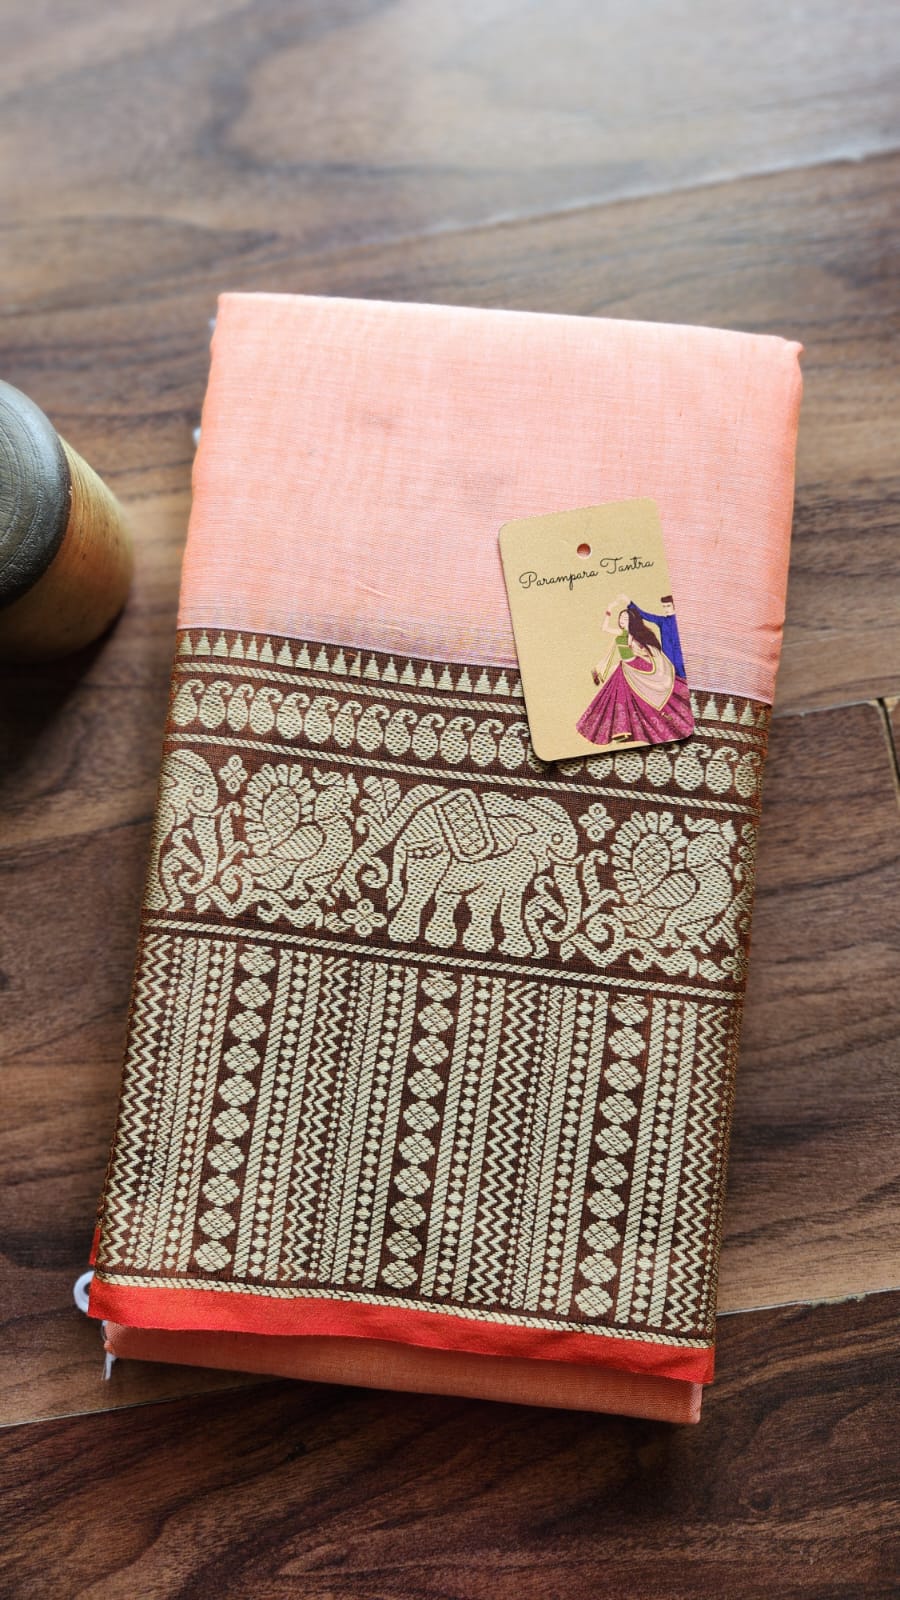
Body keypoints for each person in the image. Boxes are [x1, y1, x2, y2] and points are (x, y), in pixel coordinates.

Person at [576, 602, 693, 747]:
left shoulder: (634, 635)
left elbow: (648, 651)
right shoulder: (621, 633)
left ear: (631, 620)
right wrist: (609, 610)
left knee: (641, 699)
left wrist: (639, 651)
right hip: (624, 667)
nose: (622, 620)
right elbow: (604, 628)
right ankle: (621, 729)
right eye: (621, 618)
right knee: (617, 696)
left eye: (626, 618)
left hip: (636, 668)